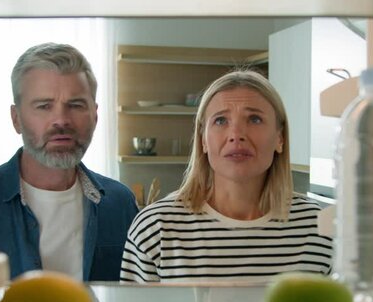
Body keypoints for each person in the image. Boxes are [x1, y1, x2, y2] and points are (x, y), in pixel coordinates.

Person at [120, 70, 333, 283]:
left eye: (255, 119)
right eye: (221, 121)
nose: (236, 135)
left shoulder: (321, 227)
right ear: (203, 139)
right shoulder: (155, 228)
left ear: (280, 138)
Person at [0, 43, 138, 281]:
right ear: (16, 119)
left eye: (75, 105)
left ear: (95, 116)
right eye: (44, 106)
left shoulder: (120, 203)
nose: (61, 120)